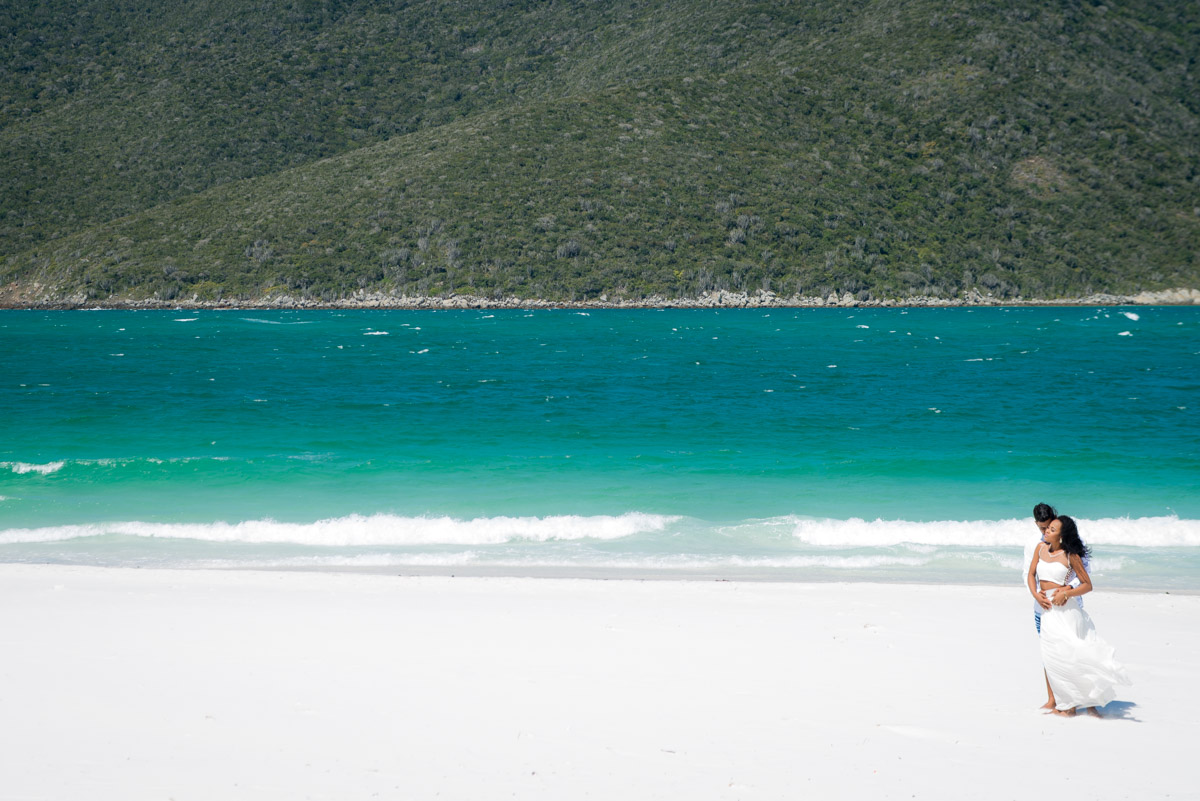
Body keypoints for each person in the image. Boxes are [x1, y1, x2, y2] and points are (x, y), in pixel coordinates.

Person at [1029, 516, 1131, 716]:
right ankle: (1067, 705)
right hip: (1047, 609)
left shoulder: (1070, 555)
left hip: (1065, 609)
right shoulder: (1040, 549)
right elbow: (1031, 574)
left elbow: (1087, 585)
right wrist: (1035, 594)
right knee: (1053, 657)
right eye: (1047, 528)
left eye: (1052, 529)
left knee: (1070, 654)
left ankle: (1072, 706)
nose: (1046, 531)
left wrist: (1066, 592)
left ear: (1062, 535)